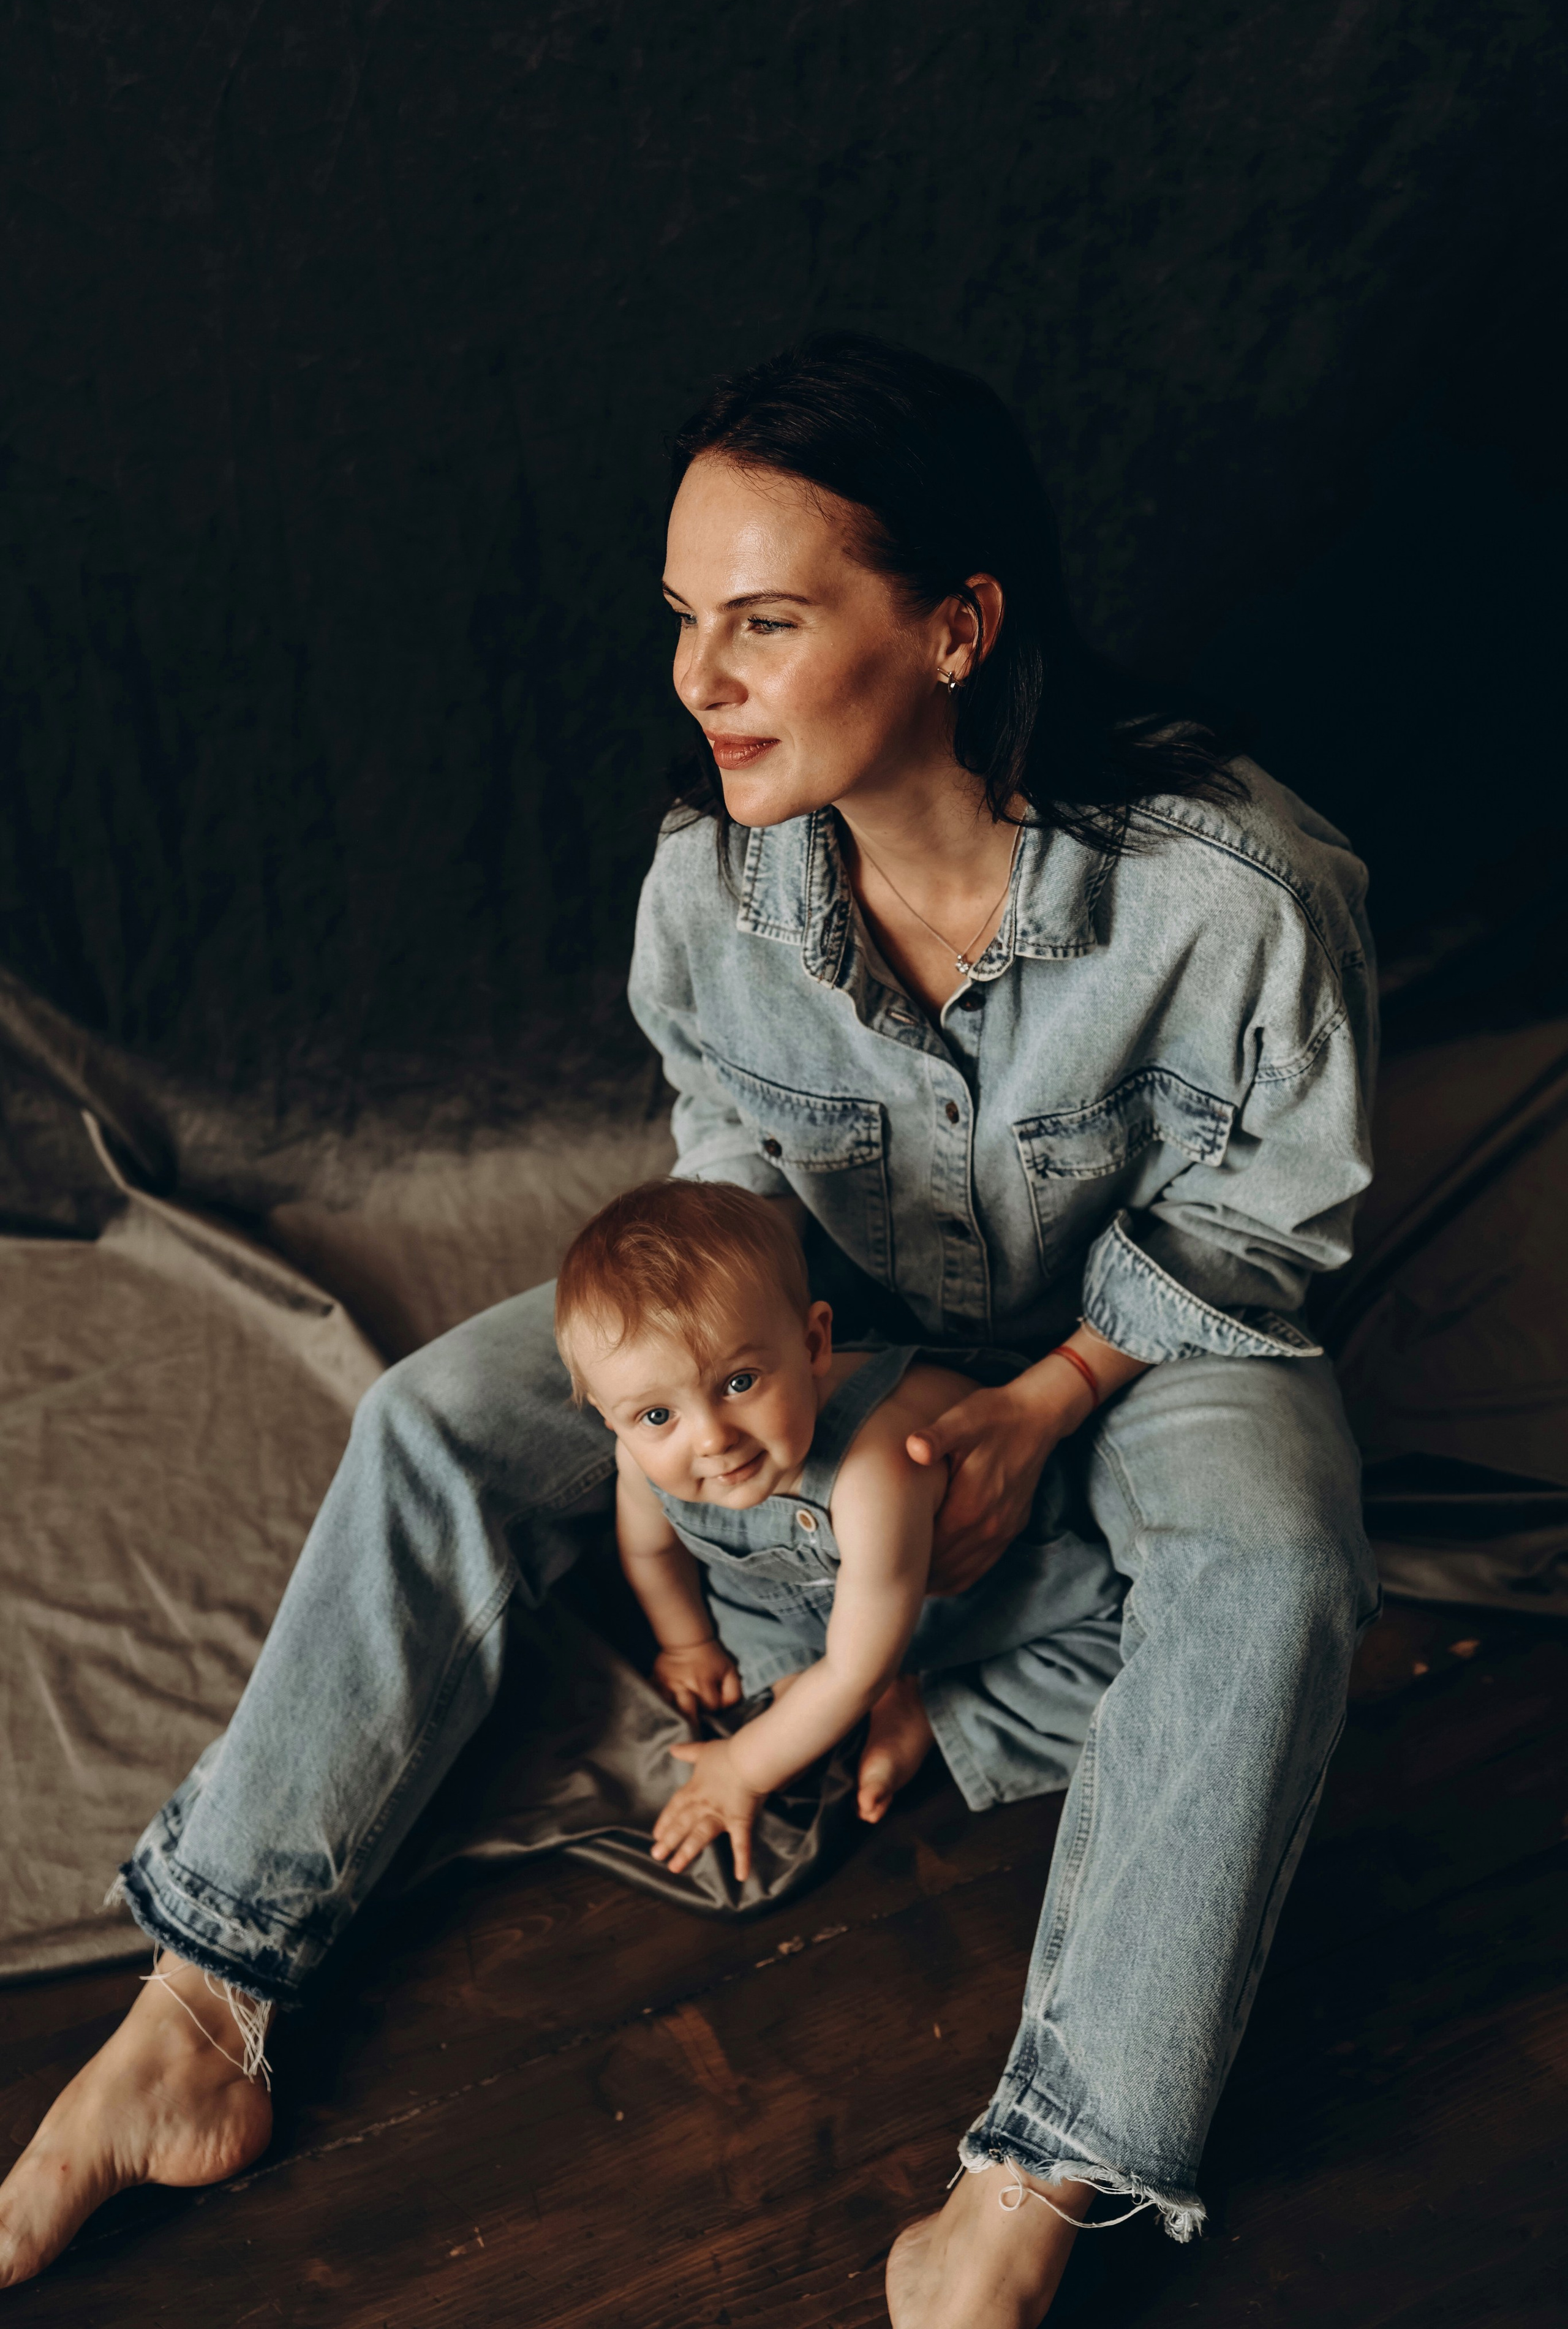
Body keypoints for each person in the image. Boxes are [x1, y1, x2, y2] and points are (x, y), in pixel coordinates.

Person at [0, 330, 1379, 2328]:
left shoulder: (1240, 890)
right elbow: (719, 1187)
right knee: (433, 1415)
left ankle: (1038, 2184)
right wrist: (731, 1420)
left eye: (765, 622)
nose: (699, 680)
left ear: (959, 624)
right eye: (682, 621)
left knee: (1276, 1561)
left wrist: (1055, 1397)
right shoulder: (712, 881)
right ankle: (196, 2013)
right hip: (820, 1328)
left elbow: (1268, 1217)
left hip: (1149, 1332)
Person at [554, 1176, 1127, 1870]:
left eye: (739, 1383)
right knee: (748, 1617)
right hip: (807, 1598)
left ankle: (938, 1710)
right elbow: (648, 1551)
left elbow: (857, 1670)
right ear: (612, 1419)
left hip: (990, 1596)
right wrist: (688, 1645)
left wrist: (743, 1766)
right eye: (656, 1416)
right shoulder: (641, 1457)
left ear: (814, 1342)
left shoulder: (876, 1471)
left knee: (1123, 1688)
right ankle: (813, 1689)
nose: (710, 1439)